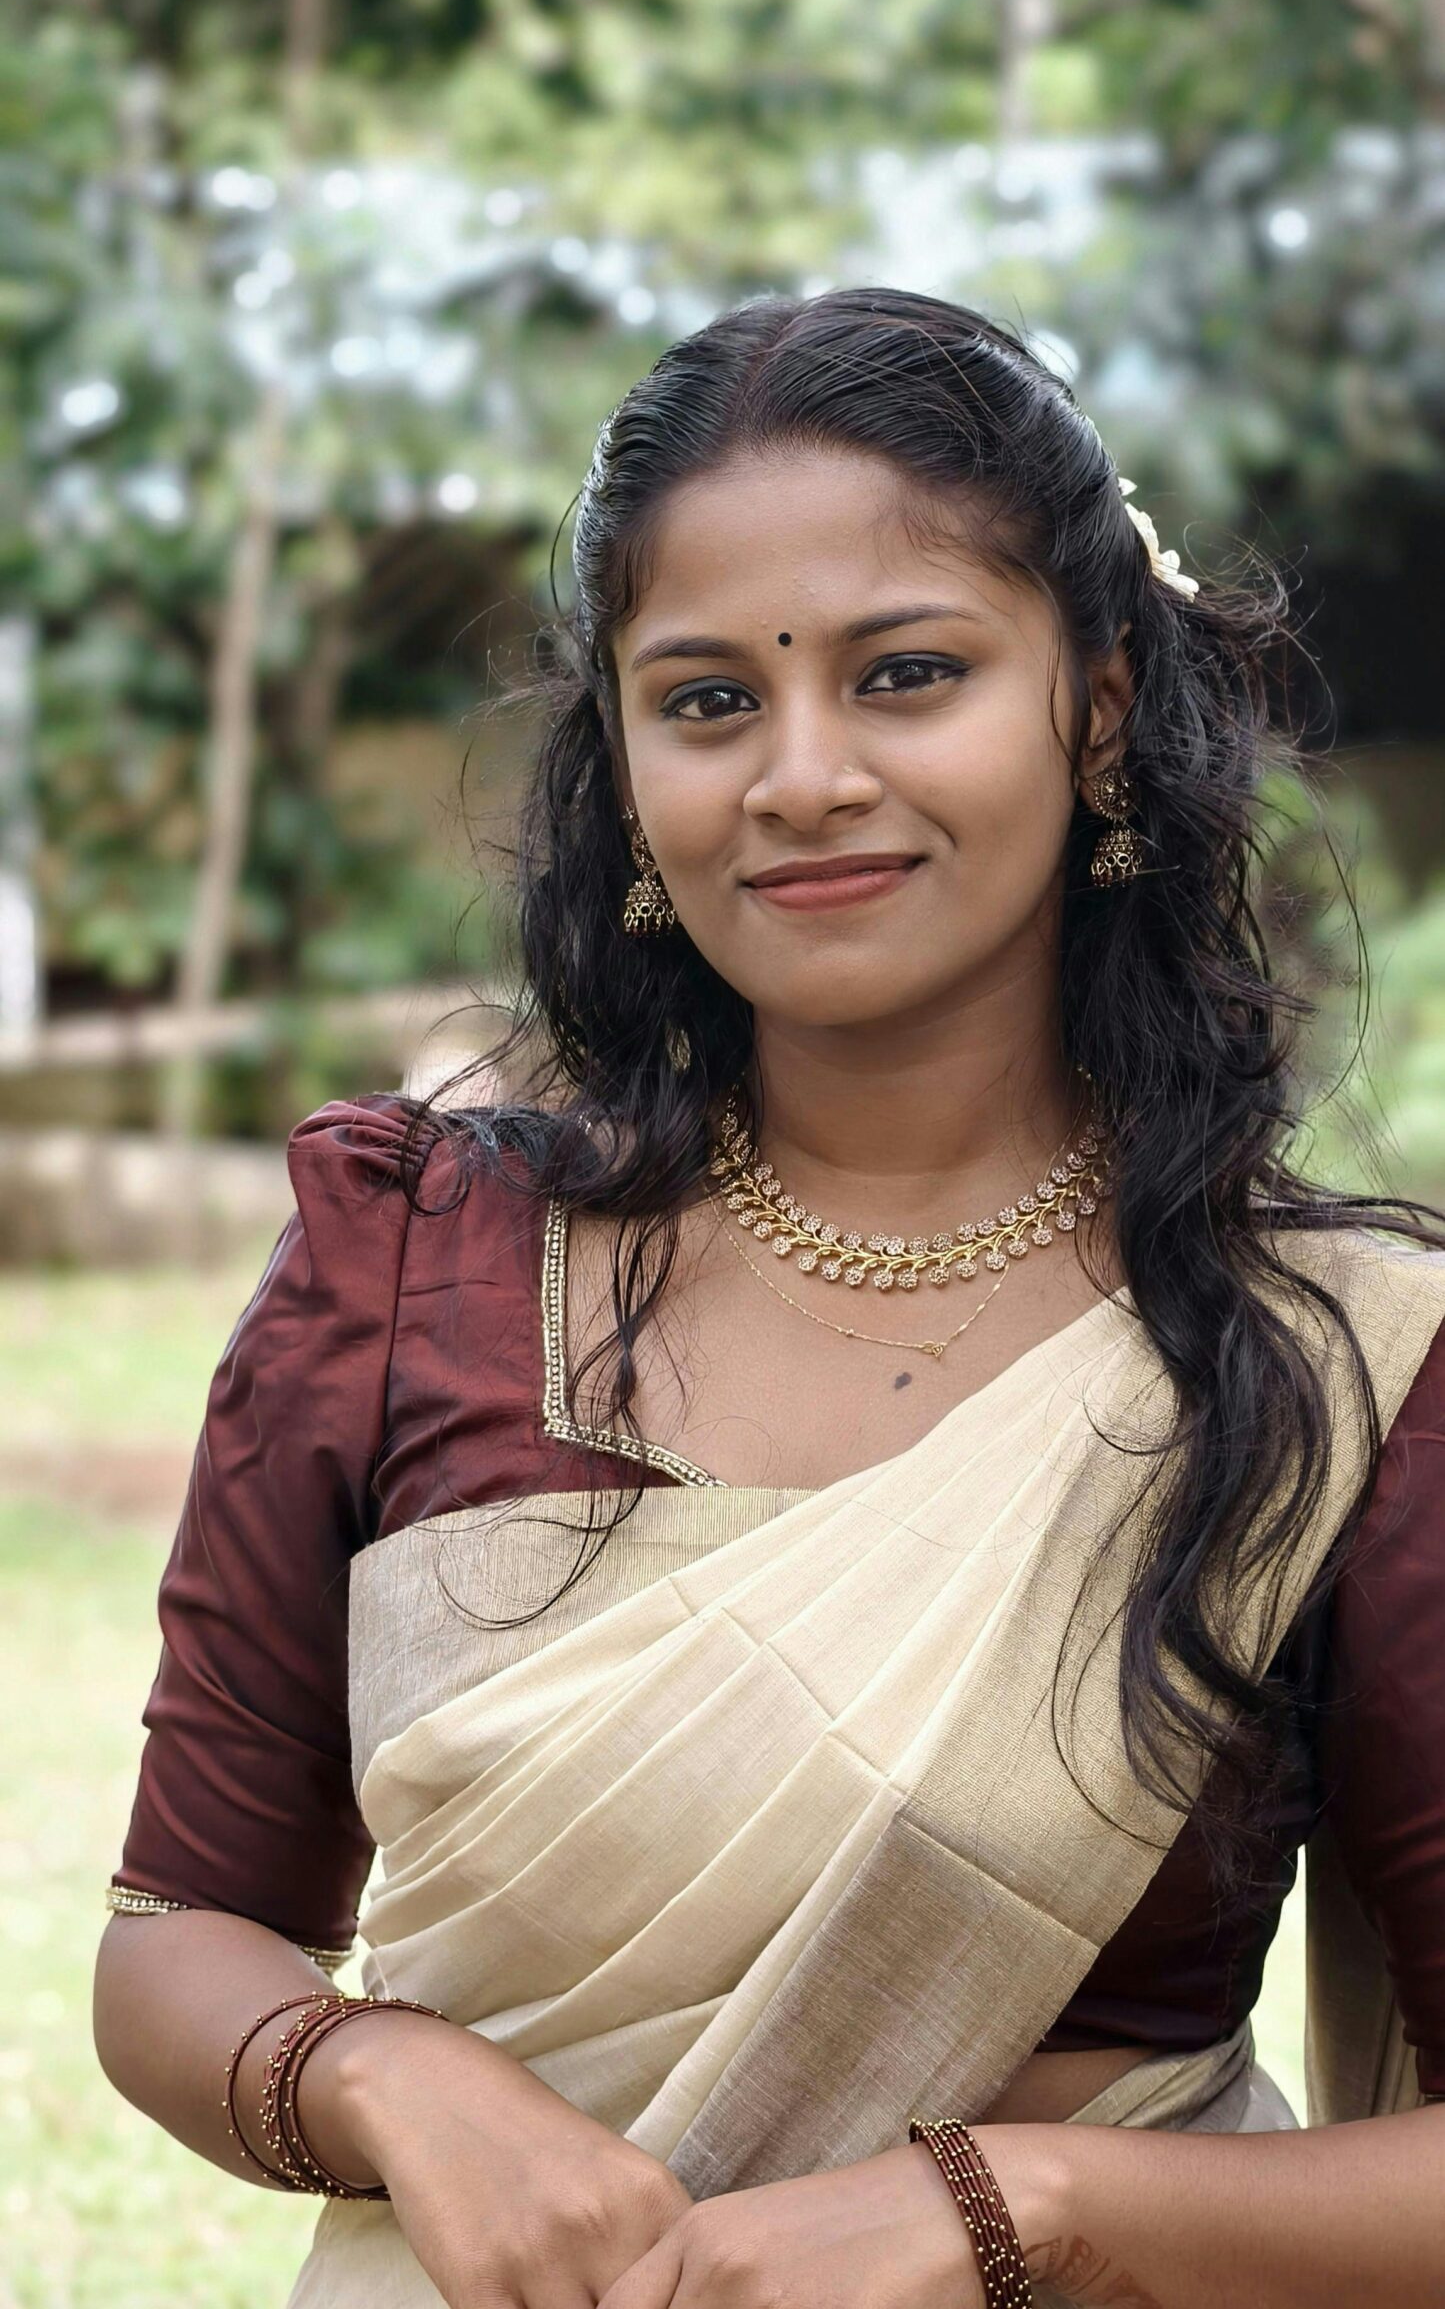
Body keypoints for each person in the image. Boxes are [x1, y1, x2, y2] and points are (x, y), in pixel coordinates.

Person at [94, 289, 1445, 2309]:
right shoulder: (408, 1262)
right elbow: (176, 1937)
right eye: (709, 698)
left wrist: (1012, 2202)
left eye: (908, 674)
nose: (802, 777)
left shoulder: (1340, 1368)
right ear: (626, 758)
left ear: (1095, 707)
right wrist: (375, 2072)